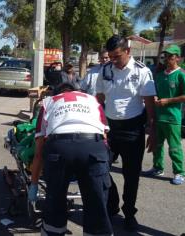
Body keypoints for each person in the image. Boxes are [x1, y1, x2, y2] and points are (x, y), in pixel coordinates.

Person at [28, 81, 113, 236]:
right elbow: (104, 137)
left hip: (59, 149)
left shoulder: (48, 103)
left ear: (57, 94)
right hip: (93, 147)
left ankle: (53, 231)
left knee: (55, 201)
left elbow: (39, 152)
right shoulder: (92, 100)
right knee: (96, 203)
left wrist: (34, 184)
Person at [96, 35, 156, 232]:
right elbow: (99, 98)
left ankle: (129, 213)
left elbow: (149, 103)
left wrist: (152, 131)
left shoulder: (142, 71)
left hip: (132, 132)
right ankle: (111, 204)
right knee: (100, 169)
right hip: (110, 130)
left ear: (128, 51)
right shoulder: (105, 70)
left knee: (131, 177)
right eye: (110, 56)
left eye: (117, 56)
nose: (113, 60)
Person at [145, 44, 185, 185]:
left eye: (170, 56)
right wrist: (155, 98)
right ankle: (157, 168)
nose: (167, 59)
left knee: (174, 147)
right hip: (158, 116)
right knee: (157, 144)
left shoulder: (182, 74)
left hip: (172, 117)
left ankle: (179, 172)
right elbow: (155, 92)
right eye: (165, 56)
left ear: (178, 58)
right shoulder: (160, 75)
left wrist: (168, 100)